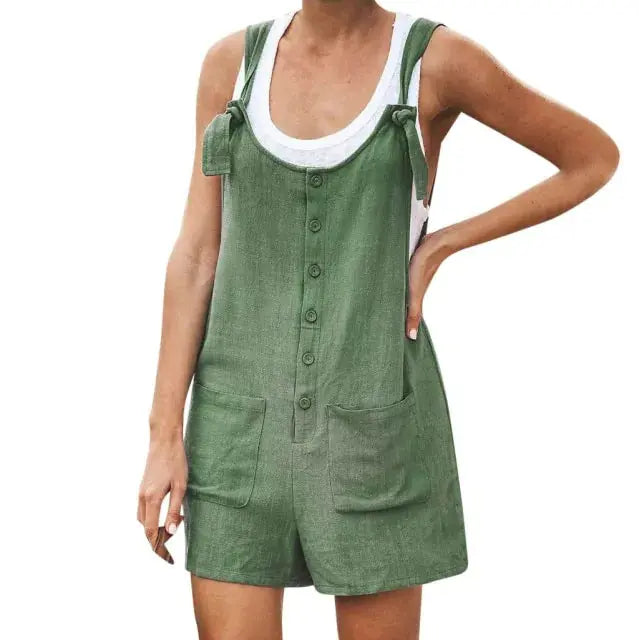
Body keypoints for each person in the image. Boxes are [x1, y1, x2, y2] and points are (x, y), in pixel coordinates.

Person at [137, 1, 618, 638]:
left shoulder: (436, 61)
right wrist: (163, 435)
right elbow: (199, 254)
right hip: (234, 432)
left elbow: (591, 156)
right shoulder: (230, 65)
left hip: (373, 427)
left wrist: (443, 244)